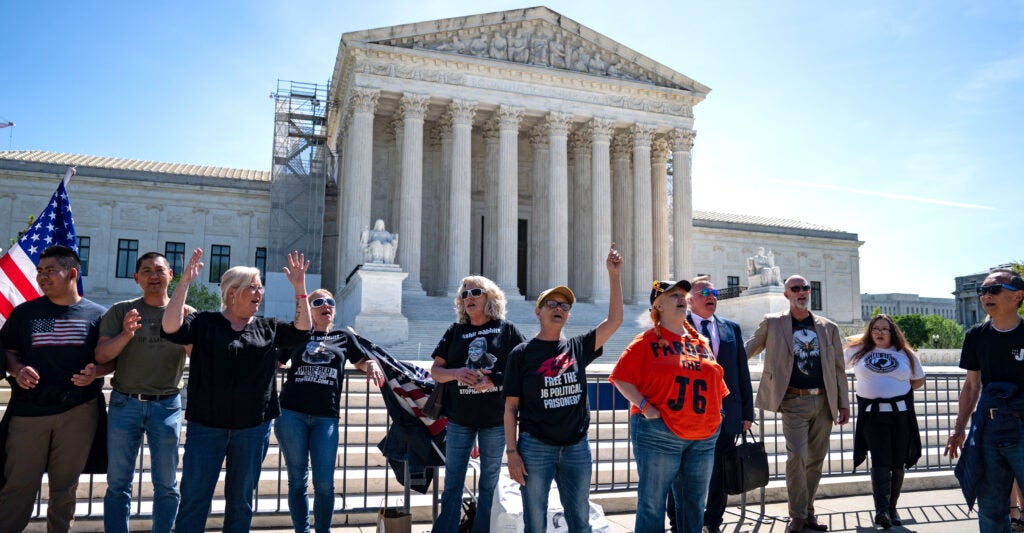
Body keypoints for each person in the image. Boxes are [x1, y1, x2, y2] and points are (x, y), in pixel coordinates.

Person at [162, 249, 312, 533]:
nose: (259, 293)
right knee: (194, 499)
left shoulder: (268, 327)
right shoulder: (204, 322)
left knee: (241, 502)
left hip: (253, 428)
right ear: (232, 293)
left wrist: (299, 287)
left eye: (260, 287)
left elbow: (302, 330)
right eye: (252, 287)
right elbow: (170, 327)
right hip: (206, 427)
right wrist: (184, 283)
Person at [504, 244, 623, 533]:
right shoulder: (521, 354)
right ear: (538, 312)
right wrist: (512, 453)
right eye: (552, 304)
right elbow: (510, 407)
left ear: (568, 315)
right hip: (535, 447)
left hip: (576, 447)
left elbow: (615, 321)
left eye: (565, 306)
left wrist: (613, 275)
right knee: (535, 522)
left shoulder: (578, 347)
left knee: (580, 520)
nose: (559, 309)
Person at [0, 245, 110, 532]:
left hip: (79, 412)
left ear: (72, 273)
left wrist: (96, 372)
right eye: (39, 271)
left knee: (65, 488)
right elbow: (7, 351)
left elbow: (111, 359)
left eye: (50, 271)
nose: (42, 277)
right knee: (18, 484)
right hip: (29, 412)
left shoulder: (98, 315)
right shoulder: (26, 313)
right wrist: (17, 369)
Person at [610, 279, 729, 533]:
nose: (682, 299)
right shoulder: (645, 341)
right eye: (674, 295)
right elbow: (620, 377)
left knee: (694, 505)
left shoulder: (701, 342)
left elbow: (717, 384)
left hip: (703, 437)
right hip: (659, 433)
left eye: (683, 295)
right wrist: (646, 407)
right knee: (653, 504)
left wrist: (717, 414)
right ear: (659, 305)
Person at [96, 252, 195, 533]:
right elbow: (102, 355)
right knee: (118, 484)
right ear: (136, 278)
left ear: (171, 275)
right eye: (147, 270)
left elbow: (198, 357)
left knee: (166, 485)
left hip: (167, 406)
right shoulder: (121, 311)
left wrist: (183, 332)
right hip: (124, 403)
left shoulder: (186, 313)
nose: (154, 275)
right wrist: (125, 334)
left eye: (160, 270)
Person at [745, 274, 850, 533]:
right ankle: (797, 515)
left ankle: (808, 512)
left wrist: (843, 403)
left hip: (824, 401)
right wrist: (719, 356)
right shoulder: (773, 323)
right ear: (786, 294)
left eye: (805, 288)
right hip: (793, 400)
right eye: (795, 288)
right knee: (798, 457)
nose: (801, 292)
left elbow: (839, 368)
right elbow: (747, 350)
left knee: (816, 460)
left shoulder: (828, 327)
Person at [276, 288, 385, 533]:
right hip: (291, 414)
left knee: (324, 483)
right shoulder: (297, 334)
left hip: (326, 417)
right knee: (297, 481)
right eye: (318, 302)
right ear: (309, 309)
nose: (325, 305)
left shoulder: (343, 336)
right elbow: (276, 361)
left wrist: (371, 363)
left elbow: (360, 360)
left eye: (329, 302)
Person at [430, 276, 526, 533]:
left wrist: (493, 380)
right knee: (453, 481)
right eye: (465, 294)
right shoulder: (455, 331)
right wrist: (457, 373)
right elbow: (436, 371)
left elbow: (523, 370)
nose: (469, 298)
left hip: (495, 420)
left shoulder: (506, 330)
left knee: (489, 482)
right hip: (459, 418)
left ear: (490, 297)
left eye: (475, 292)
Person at [664, 276, 754, 533]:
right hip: (689, 412)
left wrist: (747, 412)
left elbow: (741, 371)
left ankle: (713, 520)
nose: (712, 297)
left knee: (721, 472)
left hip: (726, 413)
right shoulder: (677, 326)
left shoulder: (731, 328)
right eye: (704, 293)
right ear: (690, 300)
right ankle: (678, 522)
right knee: (681, 472)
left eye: (714, 292)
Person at [945, 268, 1024, 531]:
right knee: (990, 507)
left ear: (1018, 296)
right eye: (982, 290)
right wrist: (959, 428)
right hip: (989, 427)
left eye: (994, 290)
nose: (985, 295)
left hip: (1022, 426)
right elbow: (971, 385)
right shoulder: (976, 335)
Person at [845, 314, 925, 529]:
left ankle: (892, 508)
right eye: (875, 329)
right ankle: (881, 510)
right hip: (873, 416)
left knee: (897, 462)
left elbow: (919, 379)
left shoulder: (905, 353)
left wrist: (897, 389)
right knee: (880, 460)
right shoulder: (858, 350)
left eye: (884, 329)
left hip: (900, 415)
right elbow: (834, 366)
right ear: (870, 332)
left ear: (892, 332)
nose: (879, 332)